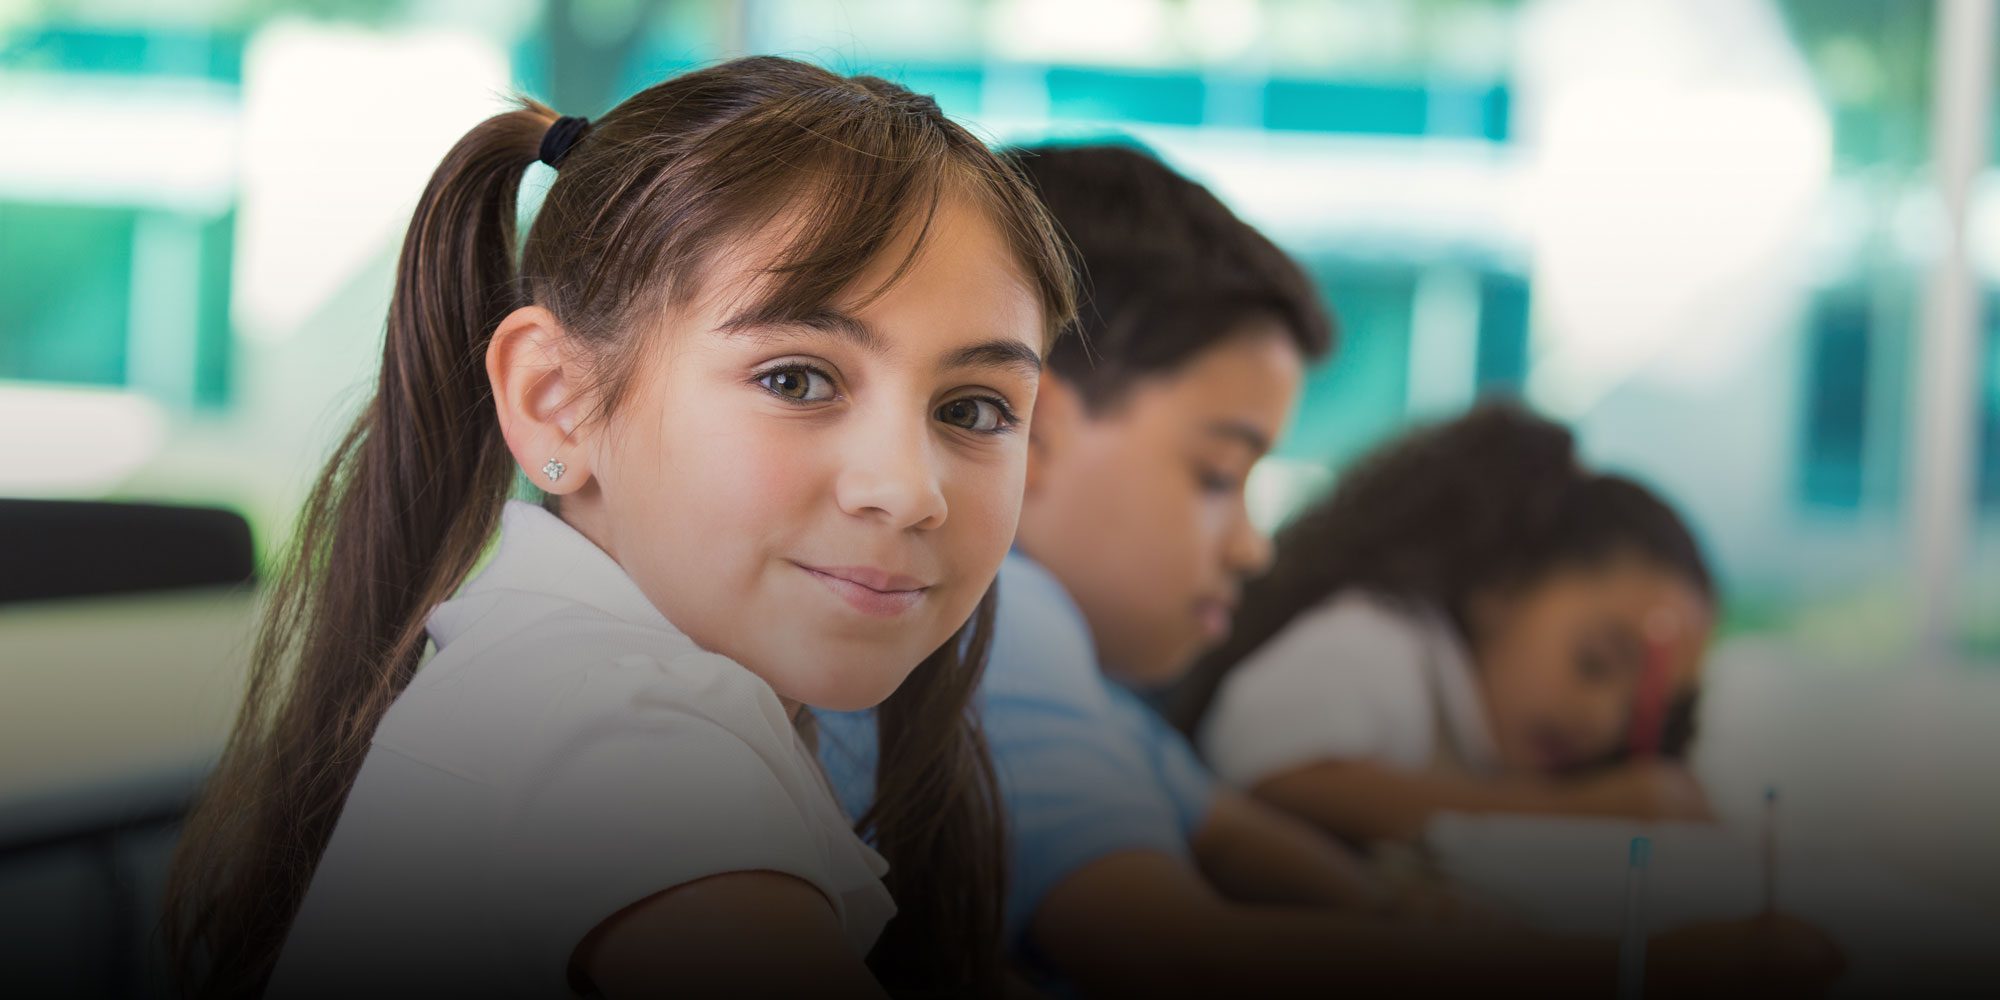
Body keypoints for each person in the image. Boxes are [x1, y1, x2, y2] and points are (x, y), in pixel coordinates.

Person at [817, 144, 1840, 998]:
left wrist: (1424, 917)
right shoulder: (1004, 620)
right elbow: (1178, 950)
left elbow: (1232, 832)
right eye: (1217, 473)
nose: (1253, 545)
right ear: (1024, 431)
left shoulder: (1086, 690)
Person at [163, 57, 1074, 999]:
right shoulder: (620, 733)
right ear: (556, 401)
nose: (908, 490)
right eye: (794, 380)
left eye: (972, 410)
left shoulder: (582, 681)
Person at [1179, 403, 1718, 846]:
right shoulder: (1380, 641)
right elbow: (1272, 771)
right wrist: (1576, 813)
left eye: (1639, 711)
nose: (1602, 721)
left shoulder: (1496, 751)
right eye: (1595, 662)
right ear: (1502, 584)